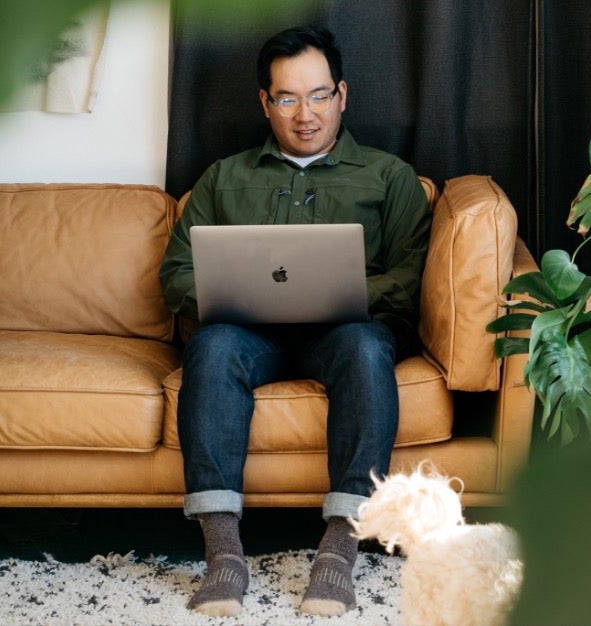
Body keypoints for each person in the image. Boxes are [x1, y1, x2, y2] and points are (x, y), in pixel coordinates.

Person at [159, 25, 431, 618]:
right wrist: (236, 294)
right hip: (249, 336)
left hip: (344, 334)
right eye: (286, 98)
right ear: (265, 102)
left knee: (365, 348)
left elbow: (410, 279)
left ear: (342, 95)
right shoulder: (222, 178)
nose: (304, 114)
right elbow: (175, 275)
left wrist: (338, 295)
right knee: (211, 347)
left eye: (318, 95)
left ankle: (339, 552)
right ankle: (222, 555)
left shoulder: (390, 178)